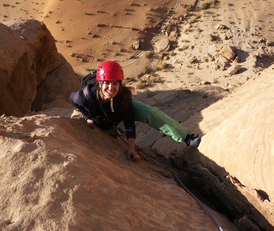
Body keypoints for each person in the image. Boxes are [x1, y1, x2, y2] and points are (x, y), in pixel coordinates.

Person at [70, 60, 201, 162]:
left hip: (118, 107)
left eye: (115, 83)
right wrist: (88, 116)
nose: (111, 88)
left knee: (150, 113)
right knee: (100, 122)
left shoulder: (123, 97)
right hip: (101, 110)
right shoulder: (86, 96)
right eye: (107, 83)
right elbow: (73, 99)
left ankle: (186, 137)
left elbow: (129, 123)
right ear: (99, 83)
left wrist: (131, 148)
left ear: (120, 84)